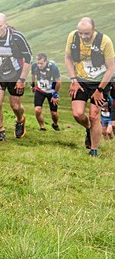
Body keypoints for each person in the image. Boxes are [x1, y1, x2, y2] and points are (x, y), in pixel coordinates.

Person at [64, 17, 115, 157]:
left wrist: (100, 90)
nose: (83, 36)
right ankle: (88, 129)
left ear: (94, 29)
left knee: (94, 116)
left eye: (87, 33)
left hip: (101, 81)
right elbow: (68, 58)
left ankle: (93, 150)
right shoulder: (73, 37)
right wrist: (73, 79)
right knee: (77, 114)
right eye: (81, 33)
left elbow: (111, 68)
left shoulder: (105, 41)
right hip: (81, 80)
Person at [0, 13, 33, 141]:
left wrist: (22, 79)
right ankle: (0, 130)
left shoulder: (17, 38)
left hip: (16, 73)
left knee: (15, 106)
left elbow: (28, 58)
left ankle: (20, 120)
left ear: (6, 24)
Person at [30, 52, 61, 131]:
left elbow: (58, 82)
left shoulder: (53, 67)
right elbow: (33, 76)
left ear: (46, 61)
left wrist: (55, 95)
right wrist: (32, 85)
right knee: (37, 110)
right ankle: (42, 127)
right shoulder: (34, 66)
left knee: (54, 113)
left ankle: (55, 124)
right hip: (40, 90)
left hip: (51, 91)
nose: (39, 65)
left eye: (41, 63)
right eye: (38, 63)